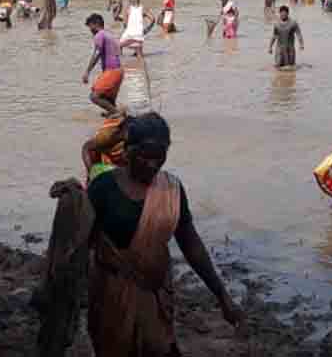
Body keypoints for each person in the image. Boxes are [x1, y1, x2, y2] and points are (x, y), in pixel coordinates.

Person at [86, 112, 245, 356]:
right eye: (144, 156)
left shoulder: (172, 189)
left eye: (159, 157)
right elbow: (81, 244)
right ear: (127, 152)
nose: (152, 164)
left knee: (159, 347)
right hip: (111, 297)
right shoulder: (104, 187)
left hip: (156, 295)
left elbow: (191, 244)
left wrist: (222, 296)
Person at [83, 13, 123, 117]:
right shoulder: (108, 34)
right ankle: (115, 115)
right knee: (108, 99)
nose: (90, 30)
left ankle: (117, 113)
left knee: (94, 96)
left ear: (96, 24)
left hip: (112, 71)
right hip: (119, 71)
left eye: (90, 26)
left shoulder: (99, 35)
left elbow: (96, 54)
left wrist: (87, 72)